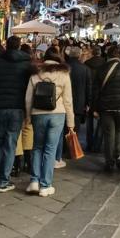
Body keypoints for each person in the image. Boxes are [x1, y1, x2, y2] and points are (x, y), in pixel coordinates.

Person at [0, 35, 31, 192]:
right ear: (18, 46)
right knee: (10, 144)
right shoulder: (26, 65)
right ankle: (4, 181)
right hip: (16, 108)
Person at [25, 51, 74, 197]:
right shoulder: (64, 74)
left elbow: (28, 98)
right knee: (50, 149)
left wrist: (28, 116)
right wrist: (71, 122)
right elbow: (68, 100)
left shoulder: (35, 73)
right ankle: (45, 185)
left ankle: (34, 181)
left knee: (37, 147)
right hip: (57, 114)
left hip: (38, 113)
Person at [92, 47, 120, 173]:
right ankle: (118, 155)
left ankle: (109, 162)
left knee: (109, 134)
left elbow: (95, 91)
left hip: (105, 107)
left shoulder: (101, 69)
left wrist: (94, 108)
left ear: (107, 56)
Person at [65, 45, 92, 156]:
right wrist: (88, 103)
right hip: (79, 103)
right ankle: (71, 150)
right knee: (75, 128)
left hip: (65, 102)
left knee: (64, 127)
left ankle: (63, 148)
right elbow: (88, 87)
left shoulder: (64, 67)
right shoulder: (85, 69)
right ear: (79, 55)